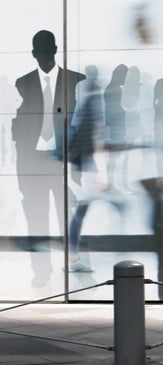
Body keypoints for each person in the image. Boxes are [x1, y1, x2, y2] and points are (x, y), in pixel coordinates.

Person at [12, 30, 86, 287]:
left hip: (60, 162)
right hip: (33, 162)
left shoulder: (75, 81)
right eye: (39, 52)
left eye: (47, 50)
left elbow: (81, 128)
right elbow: (19, 131)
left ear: (55, 50)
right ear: (33, 54)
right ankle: (42, 270)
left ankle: (72, 260)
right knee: (37, 217)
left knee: (66, 215)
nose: (43, 56)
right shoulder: (23, 83)